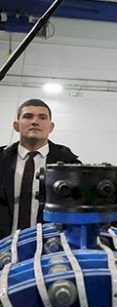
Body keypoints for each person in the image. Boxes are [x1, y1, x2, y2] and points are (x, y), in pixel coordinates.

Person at [0, 99, 81, 238]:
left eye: (42, 117)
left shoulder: (71, 166)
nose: (35, 122)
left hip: (50, 248)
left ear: (51, 126)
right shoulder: (2, 161)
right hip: (3, 246)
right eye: (28, 116)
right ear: (16, 125)